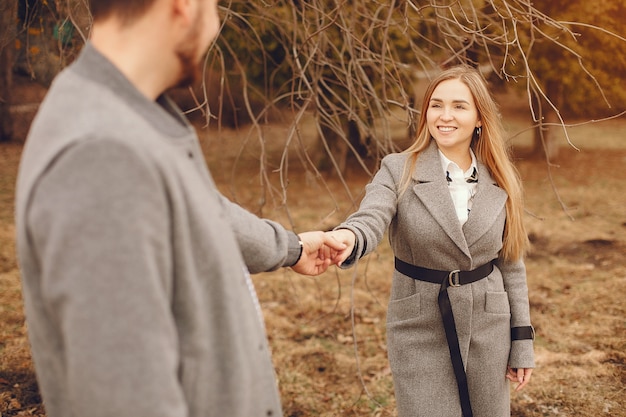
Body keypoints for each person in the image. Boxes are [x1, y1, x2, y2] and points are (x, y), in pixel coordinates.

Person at [14, 1, 346, 417]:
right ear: (183, 7)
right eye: (214, 7)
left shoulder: (129, 114)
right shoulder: (101, 155)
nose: (216, 26)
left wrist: (291, 247)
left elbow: (202, 209)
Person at [328, 65, 535, 417]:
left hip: (489, 326)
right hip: (420, 323)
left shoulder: (499, 178)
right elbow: (372, 215)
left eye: (459, 106)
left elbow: (511, 264)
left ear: (479, 118)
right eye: (436, 105)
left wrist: (521, 342)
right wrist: (349, 236)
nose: (445, 116)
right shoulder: (399, 168)